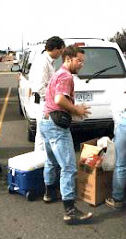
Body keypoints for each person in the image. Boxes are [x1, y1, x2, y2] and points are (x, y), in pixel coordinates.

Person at [40, 45, 92, 225]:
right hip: (56, 126)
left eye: (82, 62)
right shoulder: (65, 75)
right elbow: (59, 99)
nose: (81, 65)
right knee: (68, 167)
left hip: (45, 122)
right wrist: (76, 109)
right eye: (79, 61)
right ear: (68, 59)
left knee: (52, 161)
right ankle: (70, 211)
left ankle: (49, 193)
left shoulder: (57, 73)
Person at [29, 36, 65, 151]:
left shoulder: (49, 61)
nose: (60, 54)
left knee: (43, 134)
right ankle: (40, 161)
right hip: (43, 102)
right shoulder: (43, 62)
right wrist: (53, 100)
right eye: (60, 51)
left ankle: (43, 161)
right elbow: (40, 86)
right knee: (42, 134)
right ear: (55, 49)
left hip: (45, 101)